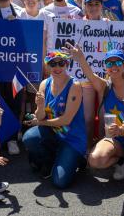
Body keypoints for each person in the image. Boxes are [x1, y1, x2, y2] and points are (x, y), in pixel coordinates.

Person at [67, 46, 124, 195]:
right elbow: (90, 75)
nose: (113, 67)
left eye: (117, 63)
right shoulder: (105, 86)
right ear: (106, 67)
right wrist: (80, 58)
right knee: (94, 160)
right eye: (109, 64)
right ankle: (121, 160)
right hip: (115, 138)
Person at [22, 51, 87, 188]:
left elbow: (66, 120)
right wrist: (39, 107)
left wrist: (40, 122)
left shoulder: (74, 86)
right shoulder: (44, 84)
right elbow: (40, 116)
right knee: (28, 138)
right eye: (52, 64)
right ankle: (52, 159)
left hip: (72, 138)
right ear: (47, 66)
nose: (57, 67)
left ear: (66, 65)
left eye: (61, 63)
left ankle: (76, 159)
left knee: (60, 182)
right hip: (54, 134)